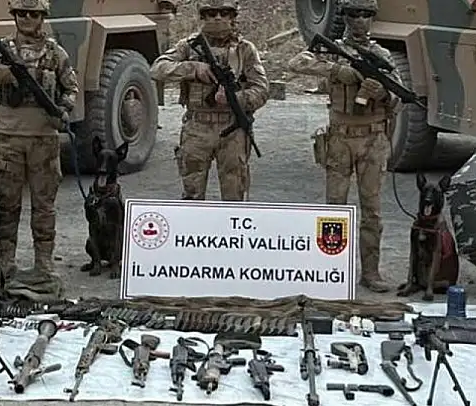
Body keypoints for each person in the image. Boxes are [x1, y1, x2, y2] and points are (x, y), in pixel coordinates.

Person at [0, 0, 78, 300]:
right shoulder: (0, 50)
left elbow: (71, 89)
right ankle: (6, 264)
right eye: (22, 14)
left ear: (43, 17)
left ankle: (44, 264)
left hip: (43, 141)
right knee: (8, 205)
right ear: (14, 16)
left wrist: (63, 110)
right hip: (8, 140)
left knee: (44, 207)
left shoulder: (55, 53)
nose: (27, 19)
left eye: (34, 14)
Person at [287, 0, 400, 293]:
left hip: (373, 139)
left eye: (366, 15)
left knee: (372, 210)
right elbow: (296, 63)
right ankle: (331, 268)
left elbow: (399, 98)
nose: (360, 20)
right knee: (334, 208)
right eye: (353, 14)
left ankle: (370, 272)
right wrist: (339, 70)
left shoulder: (381, 55)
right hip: (340, 138)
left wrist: (383, 93)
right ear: (345, 18)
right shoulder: (333, 50)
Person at [149, 0, 269, 201]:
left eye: (224, 13)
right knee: (192, 195)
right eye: (211, 14)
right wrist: (193, 69)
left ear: (232, 17)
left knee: (234, 195)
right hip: (197, 128)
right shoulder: (188, 46)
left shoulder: (245, 50)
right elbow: (157, 69)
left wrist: (235, 99)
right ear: (203, 17)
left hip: (232, 129)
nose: (218, 18)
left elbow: (262, 89)